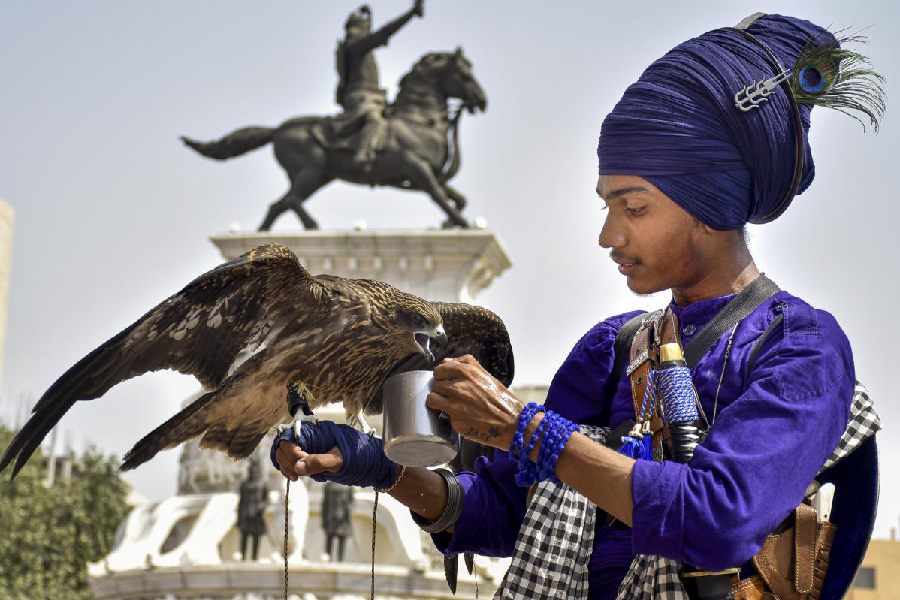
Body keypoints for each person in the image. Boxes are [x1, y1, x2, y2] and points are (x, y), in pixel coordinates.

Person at [272, 12, 882, 600]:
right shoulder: (613, 350)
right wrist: (374, 466)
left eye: (634, 207)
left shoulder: (799, 347)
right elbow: (495, 512)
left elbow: (719, 520)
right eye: (606, 206)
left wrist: (526, 428)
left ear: (709, 208)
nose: (608, 235)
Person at [334, 1, 424, 170]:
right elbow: (383, 33)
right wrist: (410, 14)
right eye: (364, 27)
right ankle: (364, 151)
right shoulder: (355, 46)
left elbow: (375, 36)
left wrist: (369, 16)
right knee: (374, 119)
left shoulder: (357, 45)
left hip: (373, 95)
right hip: (360, 96)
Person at [237, 458, 270, 561]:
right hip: (245, 512)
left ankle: (254, 558)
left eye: (254, 469)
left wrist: (262, 506)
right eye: (251, 469)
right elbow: (241, 500)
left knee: (256, 536)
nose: (252, 471)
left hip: (256, 514)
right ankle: (243, 557)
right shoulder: (244, 484)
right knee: (244, 536)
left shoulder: (262, 484)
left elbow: (267, 500)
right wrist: (239, 515)